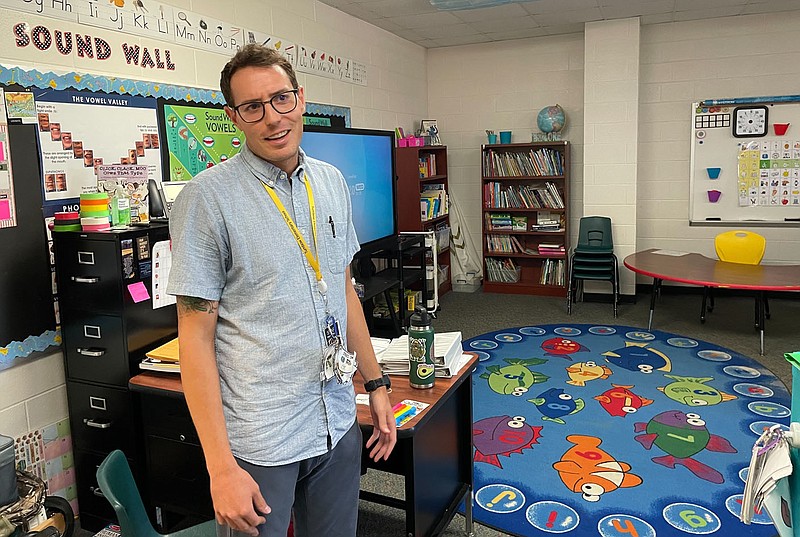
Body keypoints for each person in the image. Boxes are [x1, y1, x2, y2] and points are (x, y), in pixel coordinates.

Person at [166, 43, 396, 537]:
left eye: (281, 99)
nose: (272, 118)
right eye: (253, 107)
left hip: (335, 417)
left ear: (301, 98)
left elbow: (342, 287)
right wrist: (220, 467)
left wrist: (374, 385)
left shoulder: (331, 182)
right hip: (261, 439)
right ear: (234, 117)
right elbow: (195, 338)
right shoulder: (206, 200)